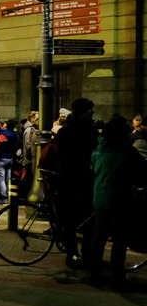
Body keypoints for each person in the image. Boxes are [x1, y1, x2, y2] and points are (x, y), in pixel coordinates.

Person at [89, 115, 145, 289]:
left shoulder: (98, 150)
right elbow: (141, 173)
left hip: (100, 198)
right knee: (120, 239)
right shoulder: (127, 152)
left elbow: (92, 171)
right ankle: (117, 276)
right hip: (120, 199)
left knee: (99, 237)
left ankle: (95, 274)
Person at [54, 97, 98, 269]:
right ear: (83, 111)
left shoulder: (66, 130)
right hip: (82, 180)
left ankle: (72, 253)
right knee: (88, 220)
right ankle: (85, 255)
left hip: (68, 180)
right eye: (90, 110)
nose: (92, 113)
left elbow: (60, 156)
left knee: (70, 220)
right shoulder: (90, 131)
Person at [0, 119, 19, 205]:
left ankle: (4, 197)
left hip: (1, 158)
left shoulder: (2, 134)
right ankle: (10, 195)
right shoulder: (14, 134)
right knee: (8, 178)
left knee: (1, 179)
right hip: (10, 158)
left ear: (6, 125)